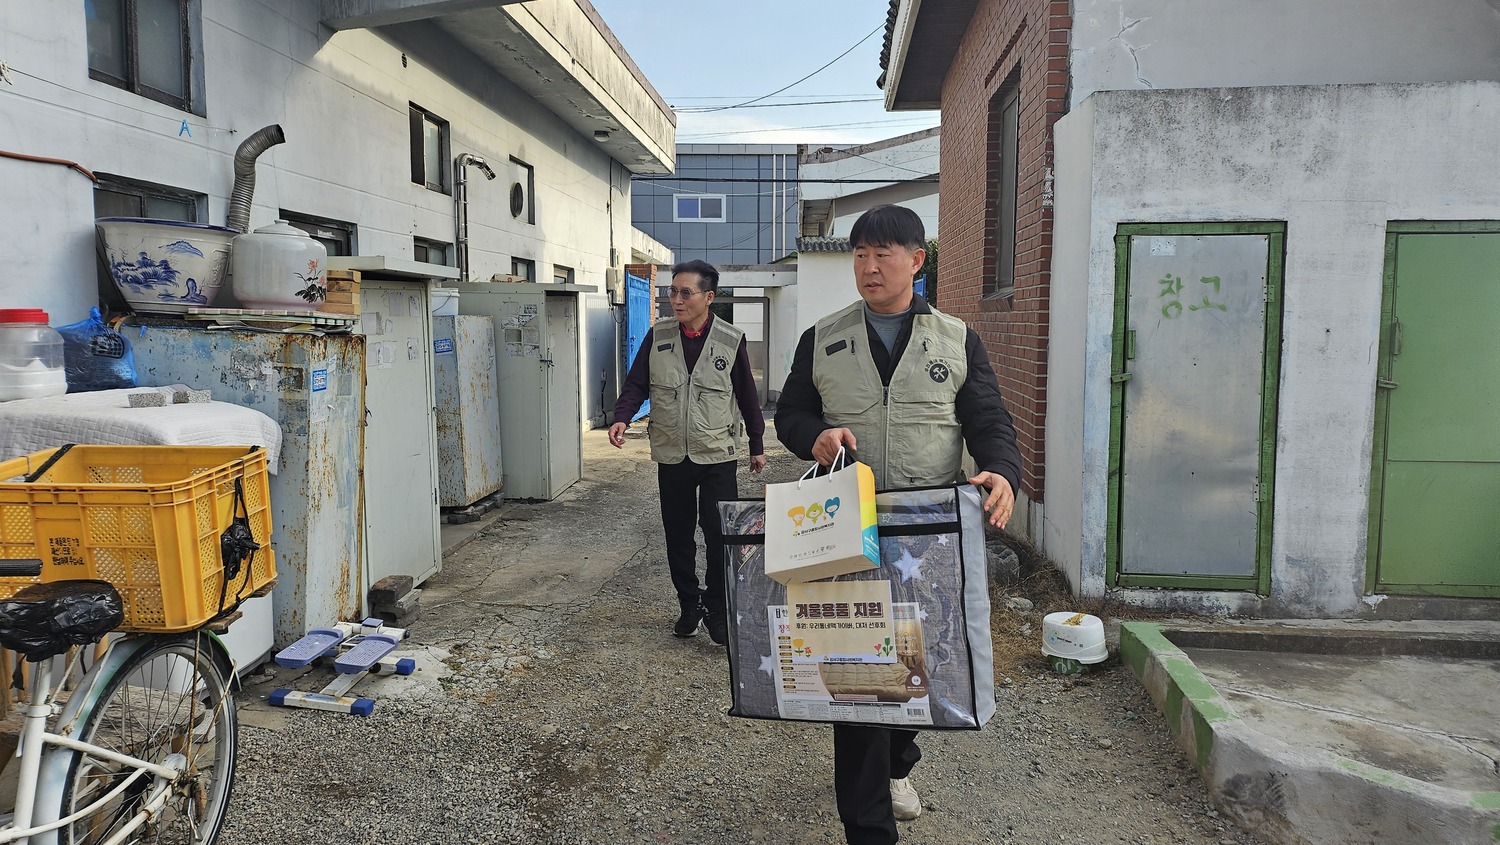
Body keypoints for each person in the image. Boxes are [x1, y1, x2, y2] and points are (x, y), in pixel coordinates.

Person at [774, 204, 1021, 845]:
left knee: (920, 664)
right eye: (859, 255)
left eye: (883, 253)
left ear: (917, 260)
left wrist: (1001, 470)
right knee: (857, 676)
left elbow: (988, 417)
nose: (869, 266)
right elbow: (792, 413)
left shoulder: (956, 338)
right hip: (844, 526)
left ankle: (898, 759)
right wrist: (815, 437)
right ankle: (868, 827)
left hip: (927, 532)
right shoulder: (823, 337)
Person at [610, 259, 767, 645]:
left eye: (685, 293)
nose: (675, 300)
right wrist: (621, 416)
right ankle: (688, 603)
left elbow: (748, 396)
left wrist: (757, 444)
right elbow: (637, 383)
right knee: (677, 533)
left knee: (717, 533)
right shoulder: (659, 335)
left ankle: (716, 607)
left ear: (708, 297)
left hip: (717, 454)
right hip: (672, 453)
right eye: (671, 292)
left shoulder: (731, 340)